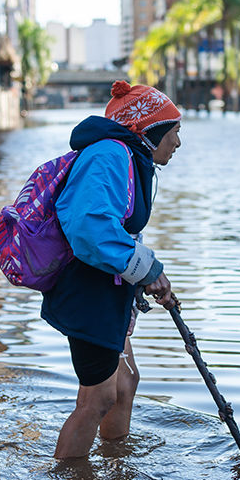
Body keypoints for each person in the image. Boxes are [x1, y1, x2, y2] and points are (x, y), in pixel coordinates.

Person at [42, 80, 182, 459]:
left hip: (108, 289)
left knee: (125, 384)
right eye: (174, 132)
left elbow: (117, 230)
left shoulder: (130, 158)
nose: (178, 143)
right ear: (150, 132)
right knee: (99, 398)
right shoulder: (110, 155)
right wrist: (147, 269)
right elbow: (89, 227)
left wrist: (145, 278)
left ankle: (115, 472)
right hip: (87, 291)